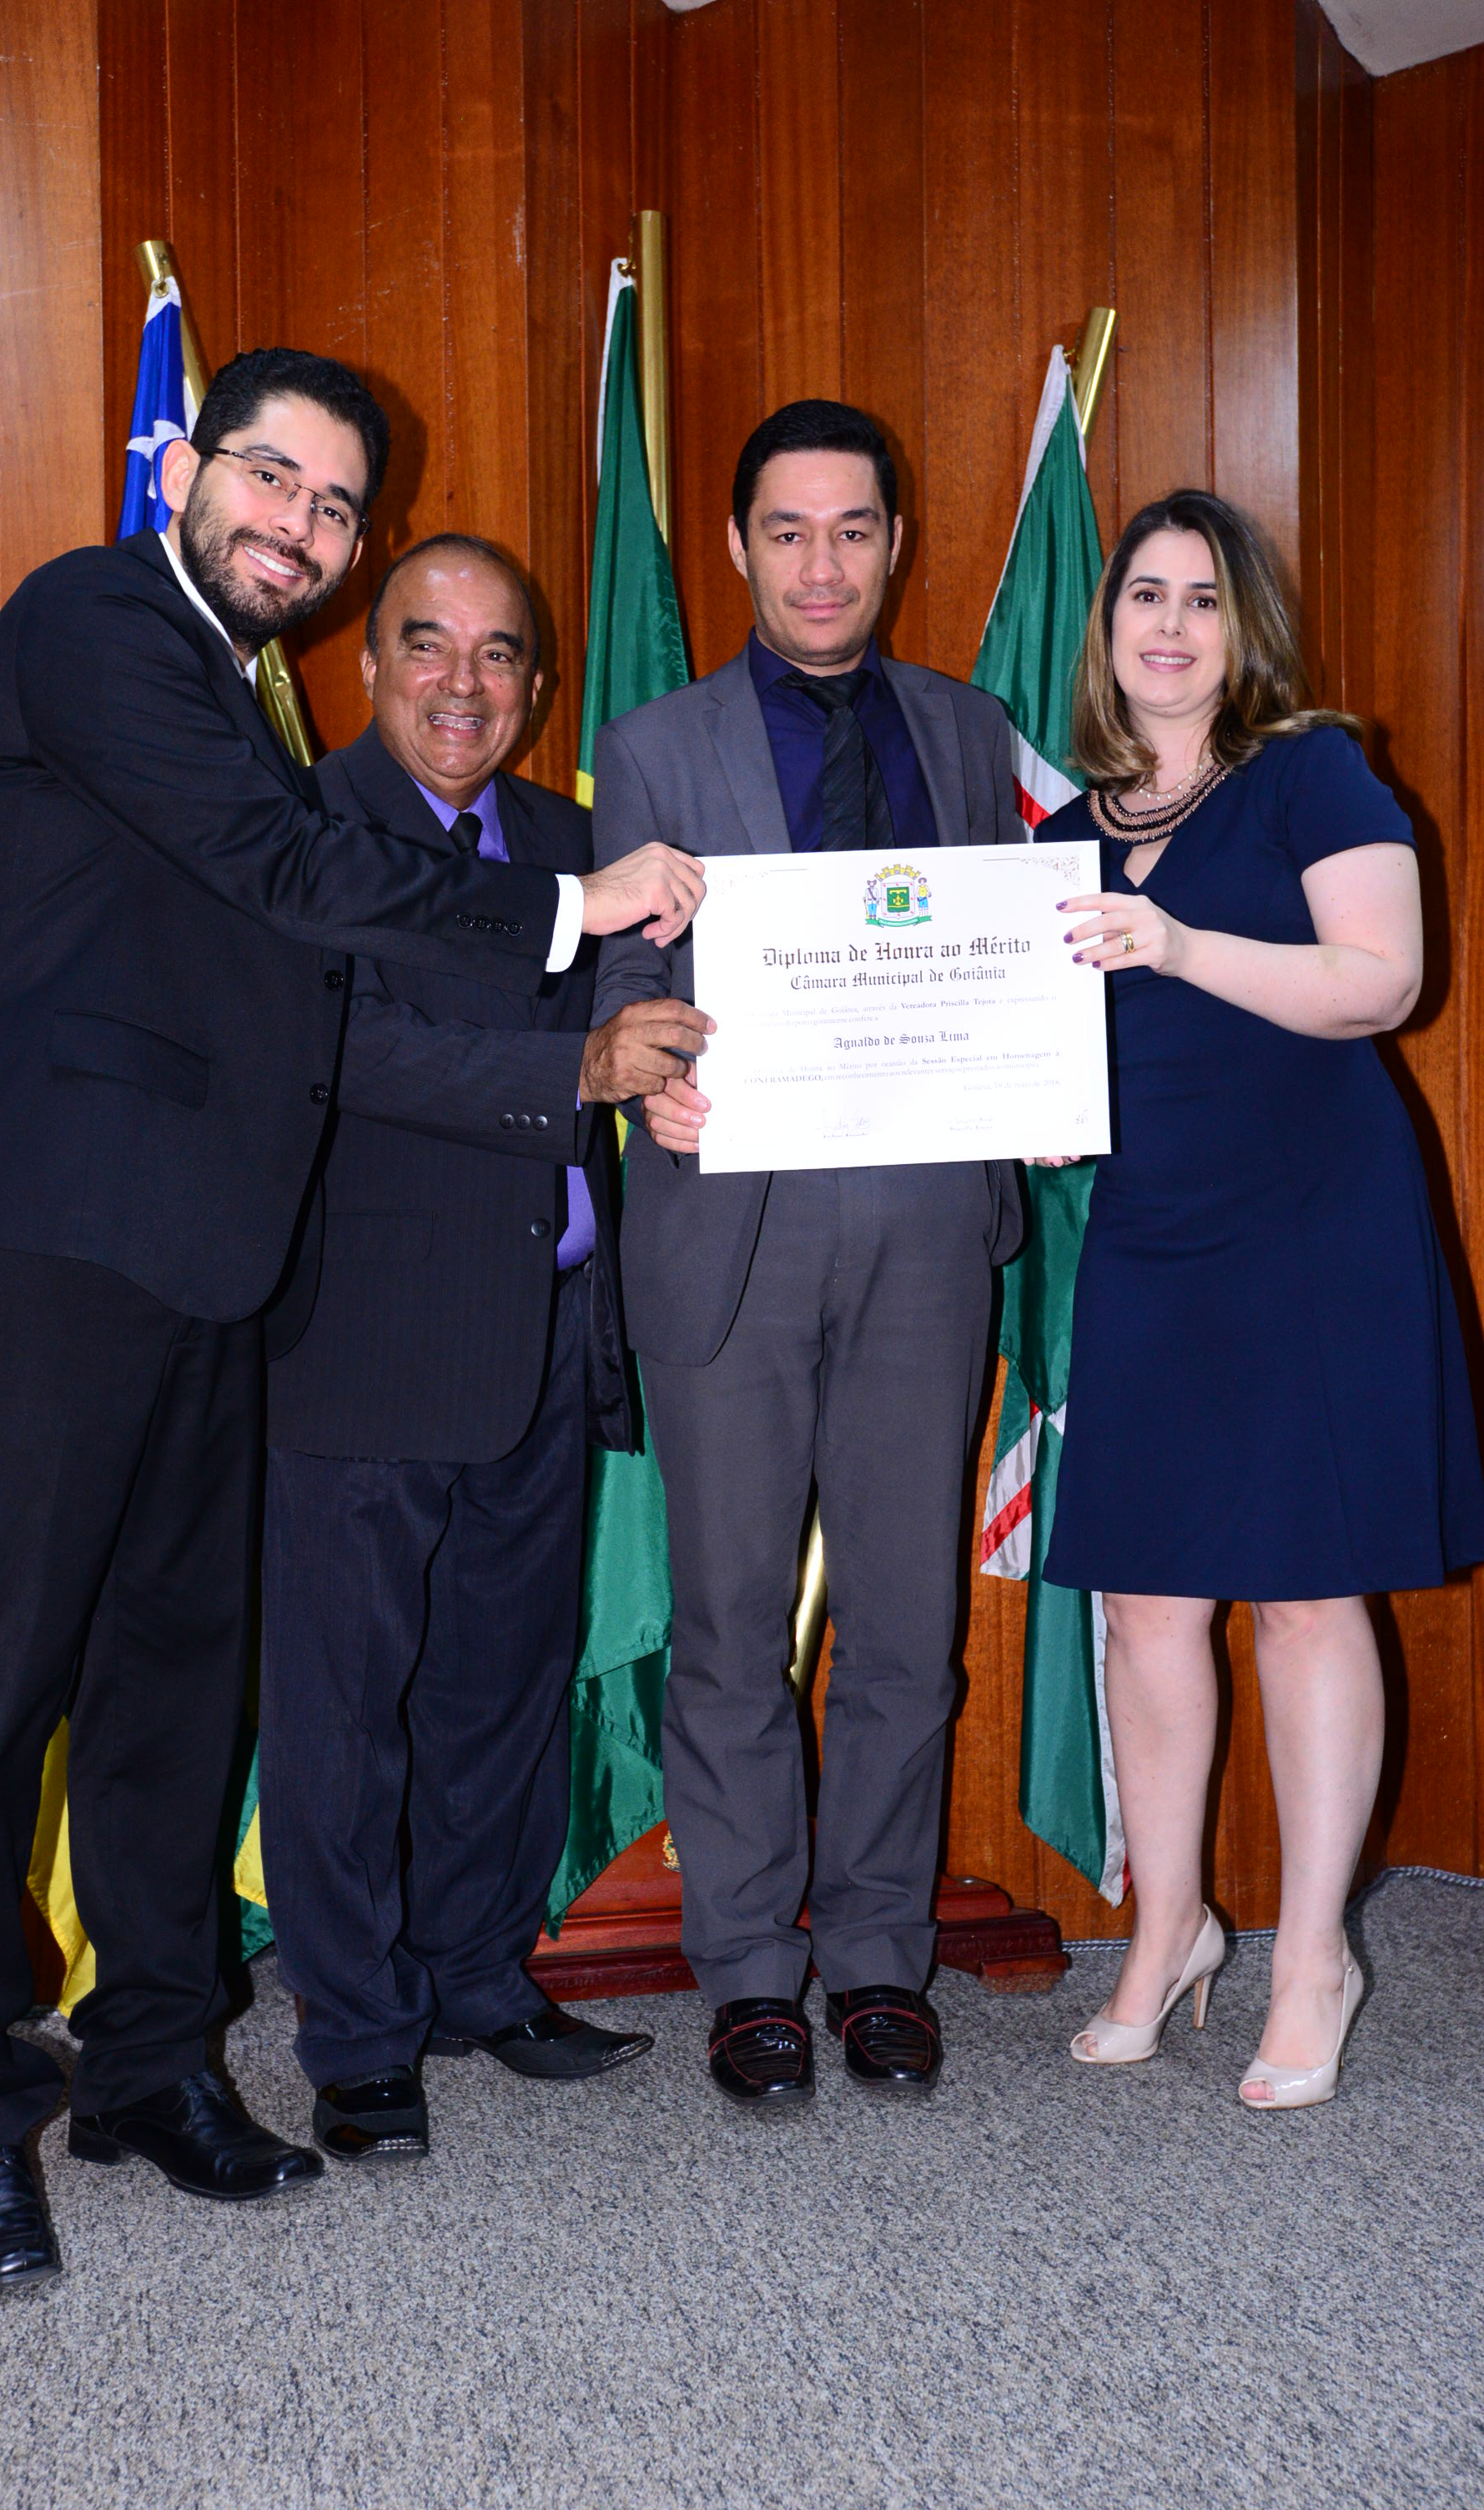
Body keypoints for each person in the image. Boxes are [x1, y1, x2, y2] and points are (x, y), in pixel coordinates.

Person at [0, 347, 702, 2291]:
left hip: (211, 1263)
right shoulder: (93, 621)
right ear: (181, 461)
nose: (300, 527)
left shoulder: (242, 703)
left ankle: (154, 2064)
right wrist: (570, 909)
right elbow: (286, 876)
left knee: (173, 1685)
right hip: (45, 1237)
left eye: (334, 505)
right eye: (273, 478)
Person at [591, 399, 1025, 2109]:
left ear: (895, 545)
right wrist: (647, 1076)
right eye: (787, 531)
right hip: (733, 1225)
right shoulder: (650, 743)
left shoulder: (968, 728)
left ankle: (877, 1954)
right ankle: (748, 1972)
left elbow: (1003, 963)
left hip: (925, 1222)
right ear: (736, 547)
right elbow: (622, 981)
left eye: (852, 530)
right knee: (728, 1621)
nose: (821, 564)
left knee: (908, 1619)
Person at [259, 537, 710, 2161]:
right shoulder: (300, 825)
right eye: (428, 645)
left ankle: (474, 1976)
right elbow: (335, 1045)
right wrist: (576, 1071)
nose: (463, 682)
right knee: (343, 1704)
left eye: (499, 652)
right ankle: (355, 2030)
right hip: (364, 1337)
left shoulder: (582, 845)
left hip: (553, 1330)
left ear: (534, 683)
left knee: (502, 1684)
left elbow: (671, 1020)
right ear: (368, 662)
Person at [1047, 488, 1484, 2109]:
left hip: (1313, 1226)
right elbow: (1053, 1041)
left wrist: (1173, 945)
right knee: (1143, 1600)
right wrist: (1040, 1110)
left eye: (1202, 599)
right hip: (1151, 1233)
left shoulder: (1310, 771)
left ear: (1245, 630)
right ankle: (1168, 1929)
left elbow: (1381, 979)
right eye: (1143, 595)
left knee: (1305, 1591)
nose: (1167, 625)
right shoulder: (1058, 834)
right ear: (1104, 626)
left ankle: (1311, 1957)